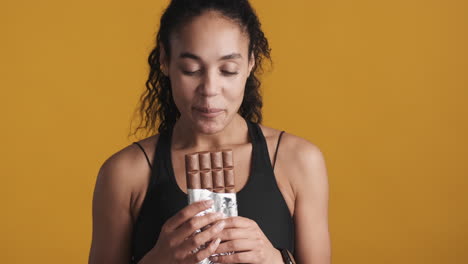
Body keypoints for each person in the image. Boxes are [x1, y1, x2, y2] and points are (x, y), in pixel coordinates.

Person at [88, 0, 330, 263]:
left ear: (250, 63)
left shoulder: (299, 161)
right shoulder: (124, 173)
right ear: (164, 61)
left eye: (228, 70)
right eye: (191, 70)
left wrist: (275, 259)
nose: (210, 89)